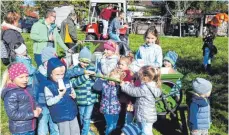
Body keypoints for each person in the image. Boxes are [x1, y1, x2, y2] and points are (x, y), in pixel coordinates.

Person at [1, 63, 42, 135]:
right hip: (20, 130)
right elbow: (13, 114)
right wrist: (32, 114)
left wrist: (38, 107)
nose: (25, 80)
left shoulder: (28, 88)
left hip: (31, 126)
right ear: (12, 78)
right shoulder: (11, 94)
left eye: (27, 76)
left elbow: (33, 100)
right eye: (21, 77)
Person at [120, 65, 162, 135]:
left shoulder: (145, 88)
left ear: (145, 77)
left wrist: (124, 86)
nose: (138, 77)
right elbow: (136, 90)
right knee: (141, 130)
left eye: (140, 75)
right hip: (145, 115)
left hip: (145, 115)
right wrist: (128, 85)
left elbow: (133, 92)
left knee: (146, 132)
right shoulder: (151, 86)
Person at [44, 57, 80, 135]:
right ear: (50, 74)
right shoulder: (48, 86)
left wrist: (74, 94)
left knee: (75, 131)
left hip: (71, 112)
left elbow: (71, 89)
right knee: (65, 132)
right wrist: (59, 96)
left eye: (62, 74)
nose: (60, 77)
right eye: (57, 75)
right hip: (60, 115)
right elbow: (49, 102)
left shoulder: (67, 81)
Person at [68, 47, 98, 135]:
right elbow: (73, 84)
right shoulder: (74, 70)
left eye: (86, 62)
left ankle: (85, 132)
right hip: (81, 99)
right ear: (79, 60)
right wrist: (85, 77)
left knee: (87, 117)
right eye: (83, 61)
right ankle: (84, 129)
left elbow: (95, 82)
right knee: (81, 116)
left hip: (90, 98)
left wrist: (95, 77)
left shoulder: (92, 68)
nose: (84, 64)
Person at [33, 46, 59, 135]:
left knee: (55, 125)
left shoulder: (55, 72)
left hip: (54, 102)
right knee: (42, 125)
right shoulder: (38, 73)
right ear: (44, 61)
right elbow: (34, 89)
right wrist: (36, 104)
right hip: (42, 103)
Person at [93, 68, 125, 135]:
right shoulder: (105, 84)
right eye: (111, 79)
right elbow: (96, 87)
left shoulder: (118, 87)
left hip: (116, 109)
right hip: (106, 109)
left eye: (115, 80)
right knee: (110, 125)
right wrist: (101, 79)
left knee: (114, 124)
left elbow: (123, 90)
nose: (112, 82)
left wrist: (122, 83)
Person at [118, 56, 135, 126]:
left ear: (127, 66)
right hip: (123, 94)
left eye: (122, 65)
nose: (120, 66)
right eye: (119, 64)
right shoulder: (121, 72)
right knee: (123, 108)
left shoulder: (127, 73)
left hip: (125, 95)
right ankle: (123, 123)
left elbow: (127, 81)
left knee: (125, 109)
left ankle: (126, 124)